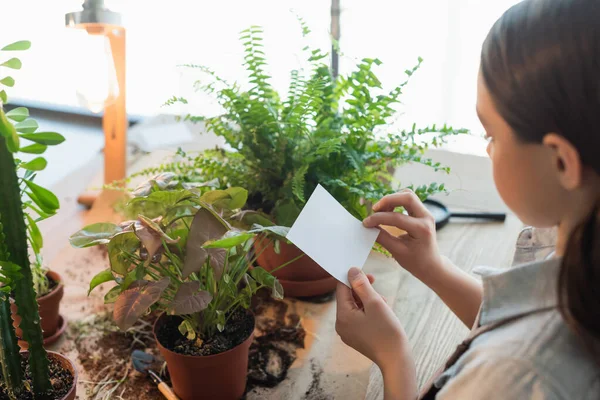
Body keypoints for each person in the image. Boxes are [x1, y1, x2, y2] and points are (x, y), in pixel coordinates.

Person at [334, 0, 600, 398]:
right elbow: (522, 320)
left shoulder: (516, 375)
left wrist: (393, 357)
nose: (488, 148)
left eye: (491, 134)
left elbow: (521, 347)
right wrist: (434, 268)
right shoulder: (583, 252)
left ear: (561, 160)